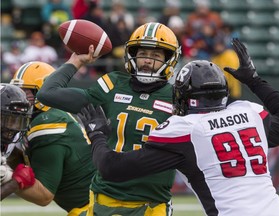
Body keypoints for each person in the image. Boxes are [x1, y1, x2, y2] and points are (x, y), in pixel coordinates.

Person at [77, 38, 279, 216]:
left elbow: (111, 168)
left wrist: (97, 135)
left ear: (182, 97)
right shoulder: (248, 114)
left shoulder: (186, 130)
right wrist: (254, 80)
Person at [37, 22, 181, 215]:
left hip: (152, 203)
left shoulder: (178, 98)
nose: (147, 61)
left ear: (170, 59)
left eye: (155, 56)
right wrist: (76, 61)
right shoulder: (112, 85)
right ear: (132, 55)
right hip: (105, 198)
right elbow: (47, 94)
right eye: (143, 54)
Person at [8, 62, 95, 215]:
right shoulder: (52, 116)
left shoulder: (47, 123)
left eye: (25, 93)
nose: (18, 100)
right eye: (17, 92)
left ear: (43, 93)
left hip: (93, 209)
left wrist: (6, 177)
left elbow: (43, 196)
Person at [0, 83, 36, 200]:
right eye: (8, 119)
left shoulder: (10, 138)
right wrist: (16, 182)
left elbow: (12, 153)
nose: (14, 127)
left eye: (18, 120)